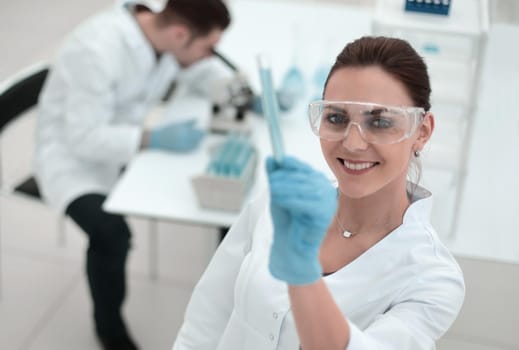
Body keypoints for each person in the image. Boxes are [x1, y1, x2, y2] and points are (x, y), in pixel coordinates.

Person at [171, 36, 465, 350]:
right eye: (336, 118)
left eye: (380, 122)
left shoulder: (432, 278)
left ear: (422, 132)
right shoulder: (278, 205)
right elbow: (209, 315)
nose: (353, 144)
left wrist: (302, 273)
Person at [34, 1, 231, 349]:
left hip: (122, 146)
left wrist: (239, 90)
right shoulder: (97, 50)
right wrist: (151, 139)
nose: (210, 55)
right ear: (181, 34)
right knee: (112, 234)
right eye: (208, 47)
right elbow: (84, 138)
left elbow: (199, 71)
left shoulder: (164, 36)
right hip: (71, 161)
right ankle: (109, 329)